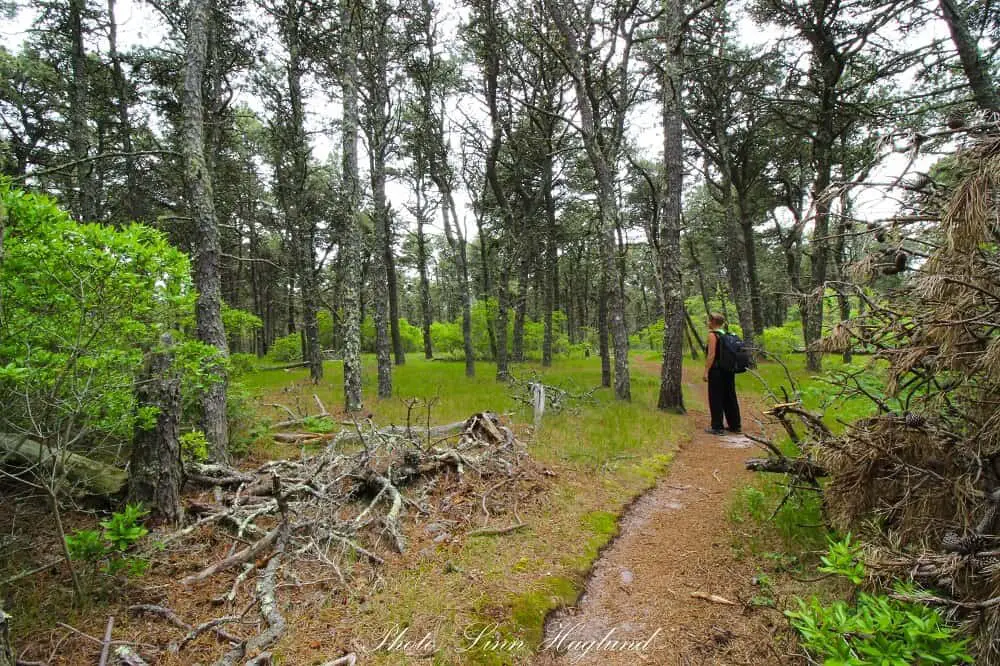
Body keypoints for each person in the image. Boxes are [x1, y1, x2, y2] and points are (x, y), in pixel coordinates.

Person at [703, 313, 741, 435]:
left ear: (713, 322)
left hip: (717, 371)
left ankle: (717, 427)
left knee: (715, 398)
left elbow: (711, 355)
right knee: (730, 396)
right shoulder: (727, 334)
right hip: (729, 370)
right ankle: (735, 425)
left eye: (709, 321)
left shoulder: (713, 335)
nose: (707, 323)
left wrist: (706, 371)